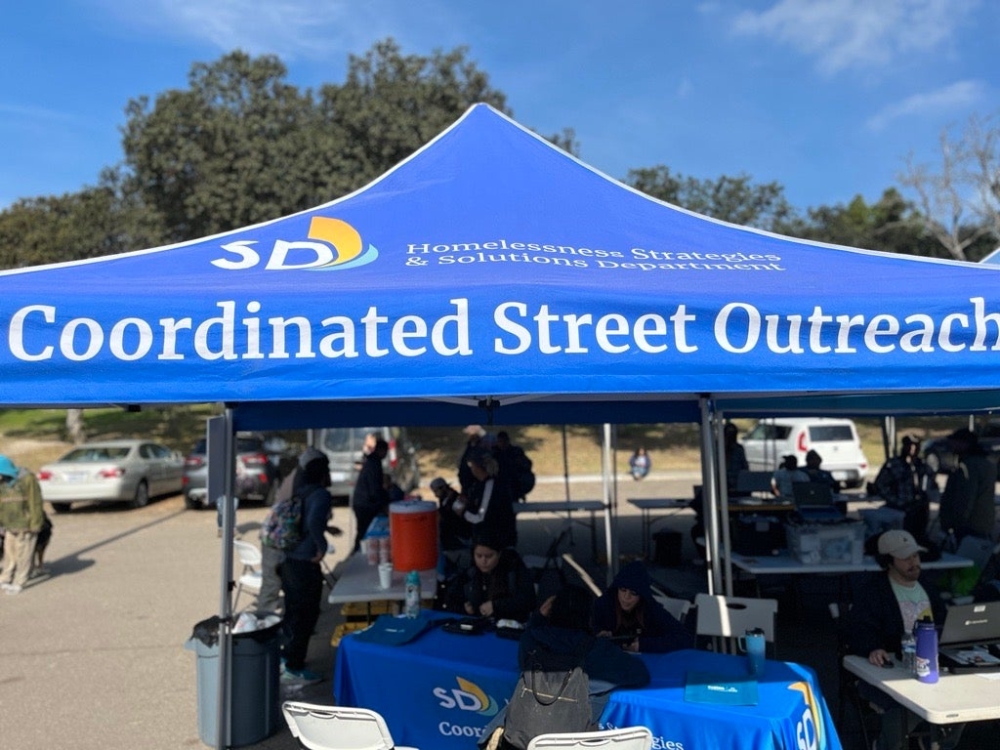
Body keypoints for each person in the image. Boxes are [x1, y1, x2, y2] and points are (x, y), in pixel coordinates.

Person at [481, 585, 651, 750]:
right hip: (570, 741)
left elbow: (526, 653)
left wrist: (539, 617)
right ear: (588, 616)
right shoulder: (595, 649)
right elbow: (639, 674)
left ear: (552, 610)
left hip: (520, 740)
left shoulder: (532, 639)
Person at [846, 530, 962, 750]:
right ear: (888, 561)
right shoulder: (873, 592)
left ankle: (937, 741)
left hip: (932, 665)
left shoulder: (928, 587)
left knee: (963, 695)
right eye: (906, 558)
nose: (914, 562)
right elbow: (859, 629)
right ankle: (889, 745)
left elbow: (944, 624)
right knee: (900, 704)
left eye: (915, 556)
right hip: (894, 668)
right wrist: (873, 648)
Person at [279, 452, 334, 685]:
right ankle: (294, 664)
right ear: (324, 472)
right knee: (306, 614)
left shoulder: (300, 491)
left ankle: (287, 658)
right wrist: (322, 547)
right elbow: (313, 522)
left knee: (293, 612)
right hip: (305, 563)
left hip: (289, 559)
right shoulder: (321, 494)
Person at [258, 446, 325, 614]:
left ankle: (289, 624)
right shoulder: (302, 484)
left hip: (279, 538)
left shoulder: (298, 480)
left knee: (285, 586)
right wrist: (320, 544)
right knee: (272, 584)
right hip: (276, 540)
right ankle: (266, 625)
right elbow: (309, 519)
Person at [592, 560, 693, 653]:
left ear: (641, 596)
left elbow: (684, 638)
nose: (626, 597)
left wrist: (642, 645)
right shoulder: (604, 605)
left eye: (634, 593)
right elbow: (582, 634)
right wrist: (598, 635)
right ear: (616, 589)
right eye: (623, 590)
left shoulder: (650, 608)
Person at [443, 529, 536, 623]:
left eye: (489, 556)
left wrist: (497, 606)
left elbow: (528, 600)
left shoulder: (513, 568)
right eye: (479, 556)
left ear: (499, 554)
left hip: (508, 625)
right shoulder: (470, 570)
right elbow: (450, 598)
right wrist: (464, 609)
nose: (483, 561)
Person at [939, 427, 997, 543]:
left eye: (955, 442)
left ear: (964, 444)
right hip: (985, 523)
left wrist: (953, 523)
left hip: (969, 526)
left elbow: (964, 499)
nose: (951, 445)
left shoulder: (968, 467)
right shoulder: (987, 464)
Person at [0, 454, 46, 595]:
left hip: (26, 525)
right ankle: (5, 578)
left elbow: (35, 502)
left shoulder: (27, 479)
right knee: (9, 553)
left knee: (24, 554)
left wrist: (35, 524)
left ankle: (20, 582)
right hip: (9, 525)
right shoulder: (2, 484)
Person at [872, 436, 930, 544]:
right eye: (909, 445)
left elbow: (930, 485)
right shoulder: (894, 464)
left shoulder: (922, 465)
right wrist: (896, 501)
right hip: (900, 509)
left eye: (916, 446)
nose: (913, 449)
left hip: (920, 510)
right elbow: (880, 485)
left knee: (919, 538)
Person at [458, 451, 518, 550]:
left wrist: (463, 512)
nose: (471, 469)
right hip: (489, 538)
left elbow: (481, 517)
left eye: (472, 466)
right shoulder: (483, 484)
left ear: (478, 467)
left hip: (494, 541)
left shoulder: (491, 485)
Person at [351, 438, 390, 553]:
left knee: (362, 529)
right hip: (365, 503)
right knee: (364, 530)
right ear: (381, 450)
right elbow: (374, 488)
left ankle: (359, 550)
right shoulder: (374, 464)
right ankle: (358, 552)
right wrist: (382, 504)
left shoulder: (371, 462)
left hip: (361, 501)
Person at [431, 476, 472, 580]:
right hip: (450, 535)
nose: (435, 494)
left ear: (444, 488)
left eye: (436, 490)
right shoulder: (443, 500)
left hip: (461, 536)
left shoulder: (458, 499)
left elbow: (457, 518)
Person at [492, 431, 534, 499]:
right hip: (498, 486)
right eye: (500, 441)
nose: (502, 444)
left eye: (504, 441)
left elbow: (527, 464)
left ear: (508, 441)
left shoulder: (516, 451)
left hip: (514, 485)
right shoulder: (493, 452)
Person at [458, 425, 494, 496]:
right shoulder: (470, 446)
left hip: (478, 486)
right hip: (468, 485)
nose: (468, 435)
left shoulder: (484, 446)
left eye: (470, 433)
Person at [723, 422, 749, 496]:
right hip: (723, 484)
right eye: (729, 433)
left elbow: (745, 467)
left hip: (738, 484)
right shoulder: (719, 449)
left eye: (732, 433)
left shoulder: (739, 449)